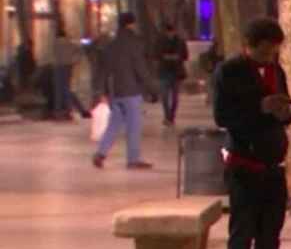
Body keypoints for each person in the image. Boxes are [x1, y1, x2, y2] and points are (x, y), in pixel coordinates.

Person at [213, 17, 291, 249]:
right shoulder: (229, 72)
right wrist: (259, 108)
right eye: (265, 51)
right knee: (242, 233)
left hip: (273, 165)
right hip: (243, 165)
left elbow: (286, 112)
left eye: (274, 51)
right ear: (250, 46)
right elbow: (222, 115)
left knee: (269, 235)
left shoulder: (277, 71)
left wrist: (287, 112)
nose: (270, 57)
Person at [93, 13, 158, 170]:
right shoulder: (135, 43)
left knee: (114, 124)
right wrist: (152, 88)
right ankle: (133, 159)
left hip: (116, 91)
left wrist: (101, 91)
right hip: (131, 91)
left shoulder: (111, 45)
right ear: (132, 24)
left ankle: (101, 153)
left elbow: (103, 70)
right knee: (133, 126)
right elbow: (140, 68)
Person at [156, 22, 189, 126]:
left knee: (175, 97)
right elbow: (155, 54)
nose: (171, 34)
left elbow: (185, 55)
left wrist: (177, 57)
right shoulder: (160, 41)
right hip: (164, 72)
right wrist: (164, 57)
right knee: (165, 96)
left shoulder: (180, 42)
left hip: (176, 72)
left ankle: (171, 116)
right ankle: (167, 116)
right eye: (169, 32)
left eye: (172, 32)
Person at [53, 29, 90, 119]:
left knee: (59, 89)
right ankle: (71, 110)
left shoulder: (55, 44)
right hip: (68, 67)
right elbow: (80, 50)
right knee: (67, 89)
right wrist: (75, 60)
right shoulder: (69, 43)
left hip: (58, 67)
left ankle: (59, 110)